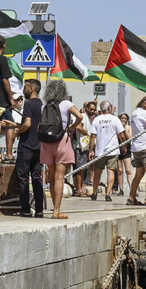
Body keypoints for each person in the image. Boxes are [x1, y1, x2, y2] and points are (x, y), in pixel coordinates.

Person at [39, 80, 84, 220]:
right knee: (60, 178)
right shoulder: (66, 104)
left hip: (47, 143)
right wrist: (72, 127)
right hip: (62, 141)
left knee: (52, 178)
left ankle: (55, 208)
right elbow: (80, 116)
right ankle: (56, 211)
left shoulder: (44, 106)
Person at [8, 78, 45, 217]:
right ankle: (40, 210)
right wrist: (15, 125)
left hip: (27, 146)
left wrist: (17, 132)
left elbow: (28, 124)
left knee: (23, 178)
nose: (23, 90)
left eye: (25, 87)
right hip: (39, 147)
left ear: (32, 89)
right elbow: (34, 124)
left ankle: (25, 210)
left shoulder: (29, 104)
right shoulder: (42, 104)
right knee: (37, 178)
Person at [88, 102, 124, 203]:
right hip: (112, 150)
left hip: (100, 151)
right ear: (109, 108)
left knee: (97, 172)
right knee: (111, 171)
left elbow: (93, 136)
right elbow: (121, 135)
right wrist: (124, 146)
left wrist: (91, 150)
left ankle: (94, 193)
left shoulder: (97, 119)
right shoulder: (115, 119)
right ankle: (108, 194)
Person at [115, 111, 132, 195]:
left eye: (125, 118)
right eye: (122, 118)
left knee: (128, 170)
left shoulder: (128, 127)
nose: (123, 119)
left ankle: (132, 189)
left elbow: (130, 138)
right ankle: (121, 188)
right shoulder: (116, 127)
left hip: (127, 148)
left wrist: (124, 129)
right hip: (118, 148)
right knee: (120, 170)